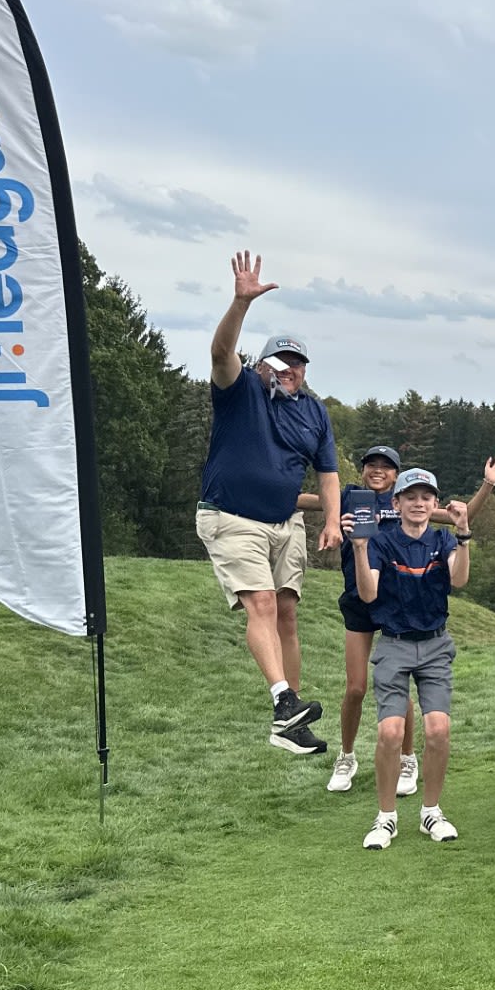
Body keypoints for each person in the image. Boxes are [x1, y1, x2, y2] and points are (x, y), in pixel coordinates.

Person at [195, 251, 341, 756]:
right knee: (258, 602)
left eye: (297, 364)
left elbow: (328, 474)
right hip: (232, 516)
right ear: (262, 364)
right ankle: (283, 700)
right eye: (280, 362)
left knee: (286, 613)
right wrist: (240, 303)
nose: (289, 371)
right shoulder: (240, 390)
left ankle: (290, 725)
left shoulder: (314, 413)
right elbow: (219, 352)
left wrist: (334, 522)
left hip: (286, 523)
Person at [315, 448, 495, 796]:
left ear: (396, 477)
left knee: (399, 684)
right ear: (363, 472)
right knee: (356, 687)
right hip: (361, 597)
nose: (377, 470)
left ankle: (407, 757)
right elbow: (313, 501)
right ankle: (346, 756)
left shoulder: (408, 504)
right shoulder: (348, 497)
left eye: (386, 467)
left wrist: (487, 486)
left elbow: (459, 519)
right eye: (371, 465)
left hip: (402, 603)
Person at [345, 468, 471, 848]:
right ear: (396, 503)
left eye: (426, 497)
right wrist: (359, 548)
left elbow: (459, 580)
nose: (419, 503)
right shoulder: (382, 543)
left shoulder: (443, 539)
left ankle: (431, 812)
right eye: (410, 497)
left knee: (438, 730)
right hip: (395, 644)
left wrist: (464, 537)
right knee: (390, 732)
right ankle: (385, 818)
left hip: (434, 645)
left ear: (435, 504)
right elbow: (368, 596)